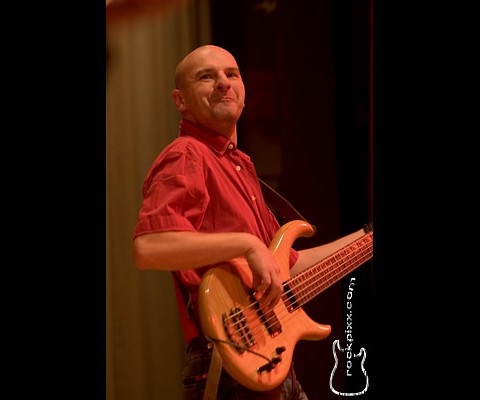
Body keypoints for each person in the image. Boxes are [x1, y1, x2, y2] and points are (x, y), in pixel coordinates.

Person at [133, 45, 367, 400]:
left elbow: (286, 265)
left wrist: (366, 241)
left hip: (269, 360)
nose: (223, 83)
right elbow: (149, 247)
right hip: (226, 363)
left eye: (231, 74)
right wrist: (246, 243)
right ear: (180, 101)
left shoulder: (240, 167)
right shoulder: (188, 155)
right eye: (206, 76)